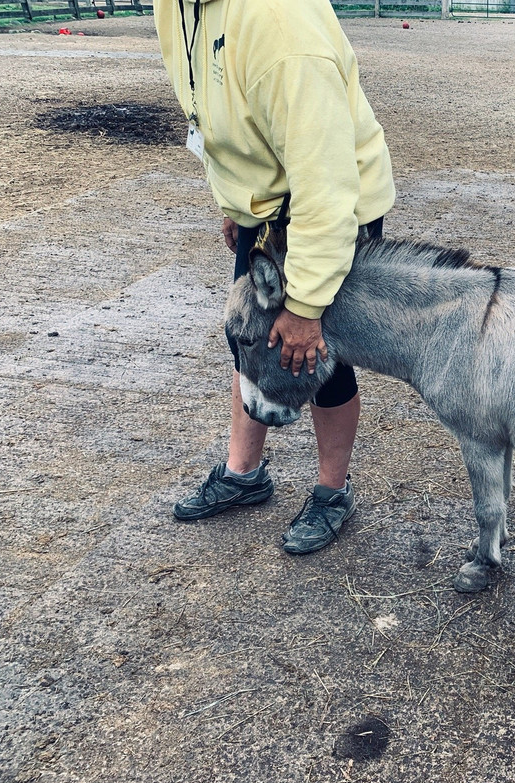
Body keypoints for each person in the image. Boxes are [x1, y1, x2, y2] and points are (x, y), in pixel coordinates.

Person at [155, 0, 395, 554]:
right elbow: (215, 107)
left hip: (328, 204)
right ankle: (245, 474)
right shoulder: (178, 5)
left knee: (313, 358)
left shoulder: (281, 25)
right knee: (249, 338)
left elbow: (327, 185)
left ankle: (333, 491)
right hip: (266, 202)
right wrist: (236, 200)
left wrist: (307, 306)